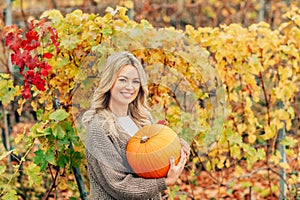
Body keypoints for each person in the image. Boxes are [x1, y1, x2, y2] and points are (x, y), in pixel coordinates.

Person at [82, 51, 190, 200]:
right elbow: (117, 184)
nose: (130, 87)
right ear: (110, 81)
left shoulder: (143, 119)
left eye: (136, 81)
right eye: (122, 80)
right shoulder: (99, 128)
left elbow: (156, 152)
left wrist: (180, 149)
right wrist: (165, 182)